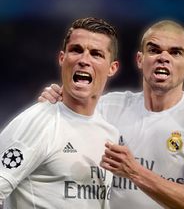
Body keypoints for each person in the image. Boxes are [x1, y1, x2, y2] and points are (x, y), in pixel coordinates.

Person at [39, 19, 184, 209]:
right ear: (140, 60)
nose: (163, 57)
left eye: (175, 52)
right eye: (154, 50)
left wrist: (135, 172)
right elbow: (63, 128)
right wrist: (53, 104)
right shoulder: (107, 107)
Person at [0, 17, 120, 209]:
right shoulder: (36, 122)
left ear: (112, 68)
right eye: (76, 50)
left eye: (96, 54)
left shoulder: (109, 134)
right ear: (62, 58)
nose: (84, 60)